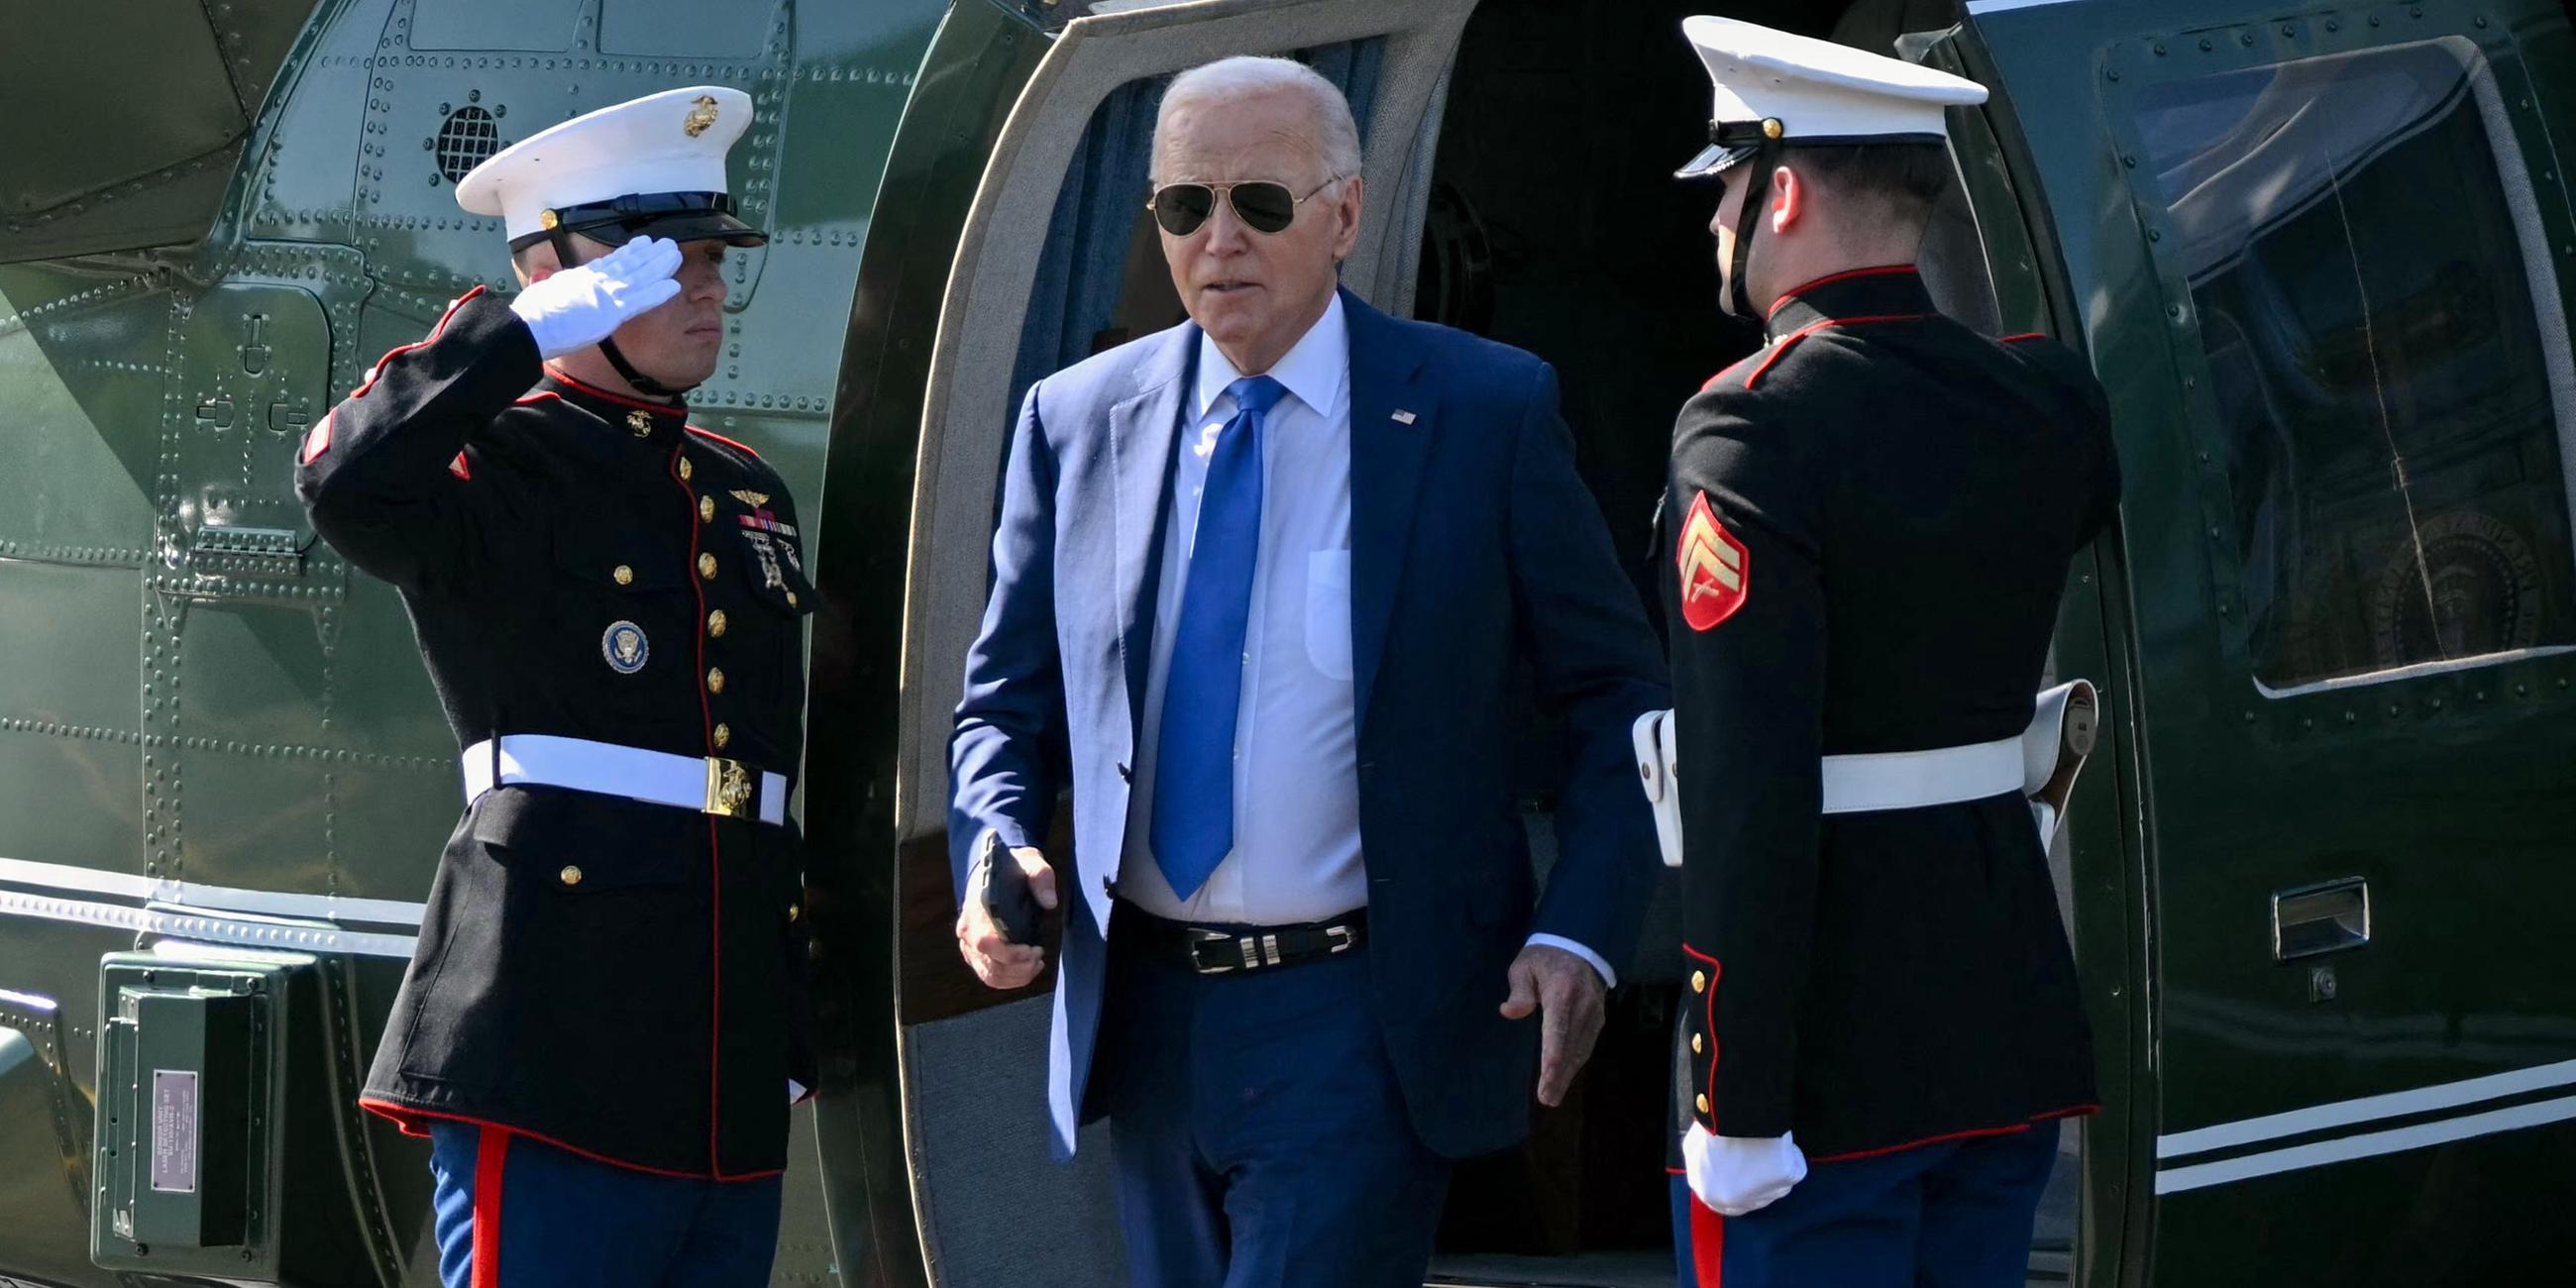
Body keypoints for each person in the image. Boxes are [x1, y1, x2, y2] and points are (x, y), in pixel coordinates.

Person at [947, 54, 1668, 1288]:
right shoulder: (1074, 421)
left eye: (1259, 204)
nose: (1217, 239)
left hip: (1360, 1014)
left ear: (1345, 213)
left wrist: (1583, 934)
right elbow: (1002, 706)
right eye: (1184, 206)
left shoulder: (1479, 412)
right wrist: (993, 841)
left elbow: (1620, 700)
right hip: (1149, 1018)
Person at [294, 85, 814, 1287]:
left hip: (723, 1054)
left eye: (711, 259)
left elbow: (769, 773)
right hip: (554, 1039)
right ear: (552, 268)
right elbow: (345, 484)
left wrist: (787, 1026)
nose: (702, 287)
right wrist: (516, 334)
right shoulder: (493, 462)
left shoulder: (742, 490)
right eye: (658, 259)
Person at [1653, 17, 2120, 1288]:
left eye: (1726, 192)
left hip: (1824, 1070)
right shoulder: (2044, 403)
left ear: (1782, 191)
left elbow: (1750, 789)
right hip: (2003, 1028)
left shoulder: (1751, 428)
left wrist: (1734, 1095)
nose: (1712, 226)